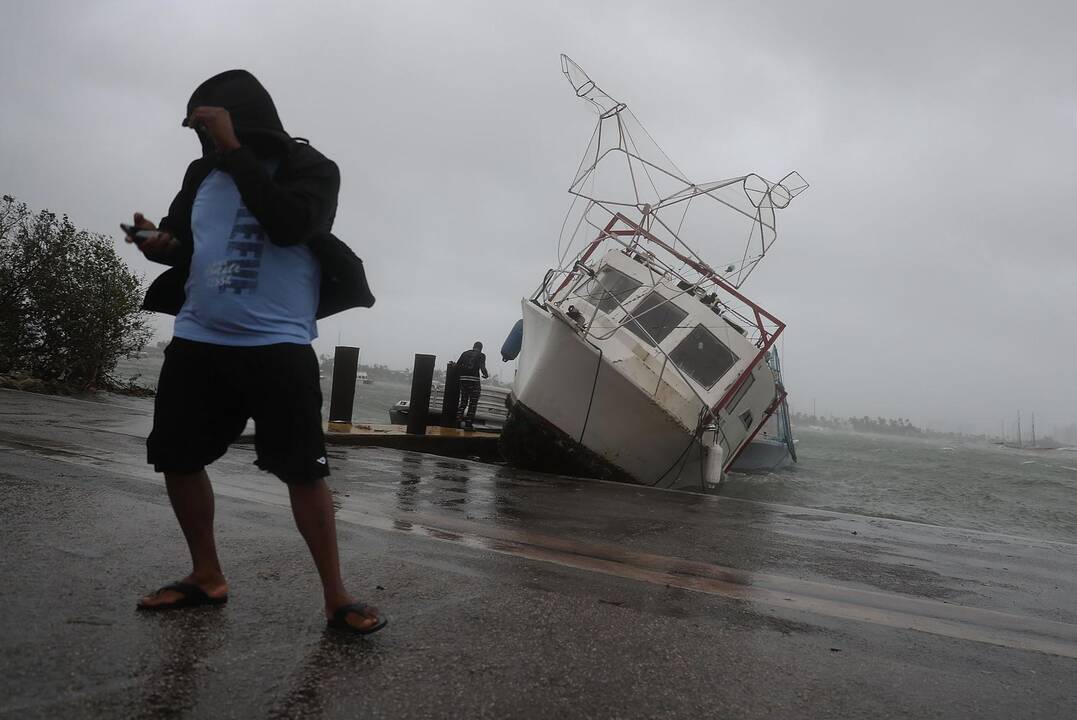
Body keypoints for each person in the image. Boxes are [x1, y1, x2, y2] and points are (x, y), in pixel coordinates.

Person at [126, 70, 383, 635]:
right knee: (177, 455)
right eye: (197, 128)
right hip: (199, 338)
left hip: (279, 344)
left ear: (241, 117)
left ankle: (336, 596)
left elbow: (290, 225)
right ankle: (206, 575)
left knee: (303, 470)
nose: (204, 138)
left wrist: (236, 150)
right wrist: (153, 242)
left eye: (208, 123)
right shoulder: (201, 174)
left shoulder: (310, 169)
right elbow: (184, 245)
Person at [455, 341, 489, 429]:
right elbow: (482, 367)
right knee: (473, 403)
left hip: (463, 380)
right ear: (481, 349)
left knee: (463, 401)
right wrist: (485, 374)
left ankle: (457, 420)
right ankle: (468, 423)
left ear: (473, 346)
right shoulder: (481, 355)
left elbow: (457, 366)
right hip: (474, 381)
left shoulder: (465, 353)